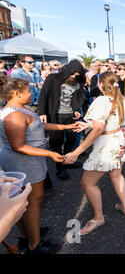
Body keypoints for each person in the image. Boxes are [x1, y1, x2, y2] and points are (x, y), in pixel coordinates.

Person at [0, 76, 78, 253]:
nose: (31, 93)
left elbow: (38, 126)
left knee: (22, 200)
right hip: (24, 161)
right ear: (17, 93)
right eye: (28, 91)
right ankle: (35, 244)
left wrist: (66, 127)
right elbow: (18, 146)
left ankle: (27, 233)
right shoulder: (15, 114)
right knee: (34, 200)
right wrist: (50, 153)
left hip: (25, 160)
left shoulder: (17, 109)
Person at [64, 71, 125, 236]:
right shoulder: (120, 97)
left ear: (101, 84)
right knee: (116, 174)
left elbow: (99, 128)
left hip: (107, 144)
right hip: (120, 138)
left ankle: (98, 217)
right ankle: (124, 206)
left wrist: (77, 151)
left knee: (87, 183)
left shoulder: (101, 100)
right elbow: (109, 119)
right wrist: (87, 125)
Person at [38, 60, 86, 180]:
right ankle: (60, 168)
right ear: (67, 71)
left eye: (77, 75)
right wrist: (42, 112)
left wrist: (76, 109)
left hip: (70, 115)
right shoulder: (53, 78)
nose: (74, 77)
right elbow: (43, 95)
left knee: (71, 139)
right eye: (72, 74)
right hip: (55, 115)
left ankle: (68, 161)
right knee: (57, 142)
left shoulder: (78, 82)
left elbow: (76, 98)